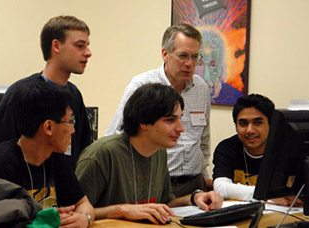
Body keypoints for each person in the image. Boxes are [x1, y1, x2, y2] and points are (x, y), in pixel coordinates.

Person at [76, 83, 223, 225]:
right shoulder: (101, 154)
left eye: (180, 118)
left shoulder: (159, 151)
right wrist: (120, 210)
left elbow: (165, 202)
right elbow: (73, 213)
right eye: (170, 120)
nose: (181, 128)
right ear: (144, 122)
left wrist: (194, 197)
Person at [105, 24, 212, 197]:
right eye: (183, 56)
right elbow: (114, 136)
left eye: (195, 57)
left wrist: (206, 176)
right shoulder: (142, 86)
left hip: (194, 184)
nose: (189, 64)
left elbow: (204, 138)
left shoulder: (201, 87)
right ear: (165, 54)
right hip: (153, 183)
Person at [0, 81, 95, 228]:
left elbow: (83, 203)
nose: (73, 130)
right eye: (70, 121)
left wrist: (84, 218)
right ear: (48, 127)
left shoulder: (56, 157)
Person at [0, 15, 92, 169]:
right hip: (24, 190)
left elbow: (82, 149)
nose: (88, 53)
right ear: (56, 46)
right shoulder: (21, 94)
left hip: (64, 188)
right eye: (80, 45)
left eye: (87, 46)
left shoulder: (74, 94)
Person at [212, 94, 275, 201]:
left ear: (272, 124)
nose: (250, 130)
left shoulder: (289, 148)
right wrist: (270, 196)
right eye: (243, 123)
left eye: (258, 123)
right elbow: (220, 188)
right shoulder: (226, 148)